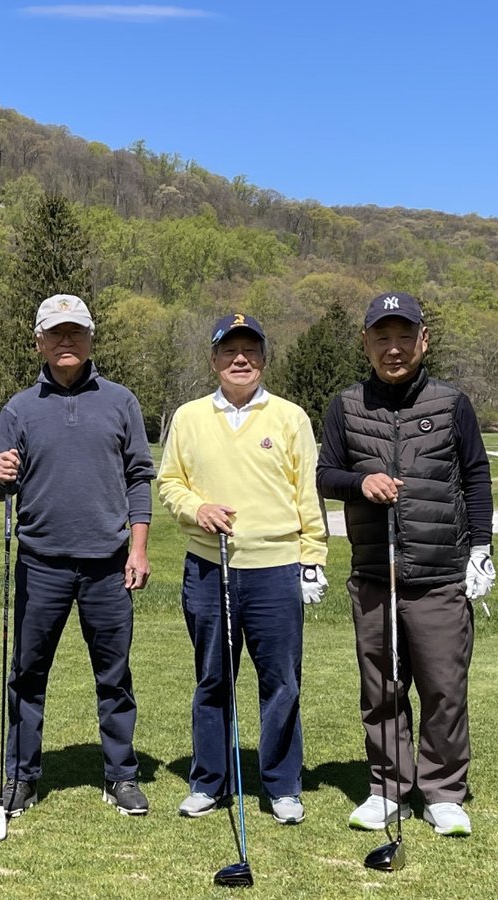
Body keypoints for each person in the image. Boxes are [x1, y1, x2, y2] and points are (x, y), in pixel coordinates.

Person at [316, 291, 495, 838]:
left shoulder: (452, 404)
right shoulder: (346, 406)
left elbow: (476, 475)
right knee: (382, 690)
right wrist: (360, 482)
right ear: (366, 343)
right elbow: (325, 475)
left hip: (439, 574)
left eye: (403, 336)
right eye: (382, 337)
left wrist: (481, 548)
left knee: (444, 688)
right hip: (376, 575)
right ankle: (388, 788)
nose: (393, 348)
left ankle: (443, 792)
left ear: (424, 340)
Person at [0, 293, 157, 818]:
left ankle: (121, 775)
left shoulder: (121, 401)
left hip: (108, 564)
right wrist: (0, 475)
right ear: (39, 341)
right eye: (56, 333)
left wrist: (139, 548)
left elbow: (139, 477)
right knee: (27, 675)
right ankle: (21, 778)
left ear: (90, 339)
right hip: (41, 563)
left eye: (75, 332)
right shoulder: (19, 408)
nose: (66, 341)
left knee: (114, 676)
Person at [157, 313, 328, 825]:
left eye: (250, 351)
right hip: (210, 567)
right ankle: (209, 782)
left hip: (276, 569)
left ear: (263, 359)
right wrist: (198, 509)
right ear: (213, 359)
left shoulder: (290, 417)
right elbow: (170, 483)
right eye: (229, 351)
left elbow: (308, 493)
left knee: (281, 683)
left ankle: (282, 785)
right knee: (213, 679)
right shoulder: (189, 417)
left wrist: (313, 557)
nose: (240, 359)